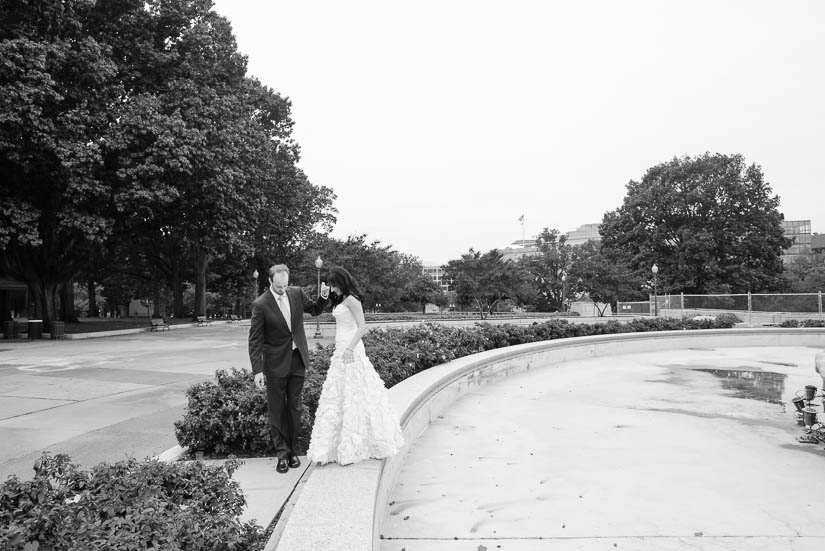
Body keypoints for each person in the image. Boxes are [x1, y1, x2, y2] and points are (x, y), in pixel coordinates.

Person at [307, 267, 404, 465]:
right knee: (338, 393)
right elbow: (321, 310)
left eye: (334, 286)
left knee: (356, 392)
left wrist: (350, 348)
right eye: (331, 286)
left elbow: (362, 326)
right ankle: (335, 444)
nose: (333, 290)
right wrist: (324, 297)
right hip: (340, 348)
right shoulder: (339, 300)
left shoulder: (352, 299)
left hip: (351, 348)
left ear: (342, 283)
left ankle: (359, 441)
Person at [248, 264, 329, 474]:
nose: (282, 289)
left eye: (285, 285)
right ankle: (281, 454)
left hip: (297, 359)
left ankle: (292, 450)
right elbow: (255, 340)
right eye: (278, 286)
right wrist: (258, 370)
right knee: (277, 410)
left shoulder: (296, 293)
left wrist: (323, 296)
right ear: (270, 282)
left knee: (295, 408)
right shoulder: (261, 304)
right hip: (274, 363)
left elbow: (315, 310)